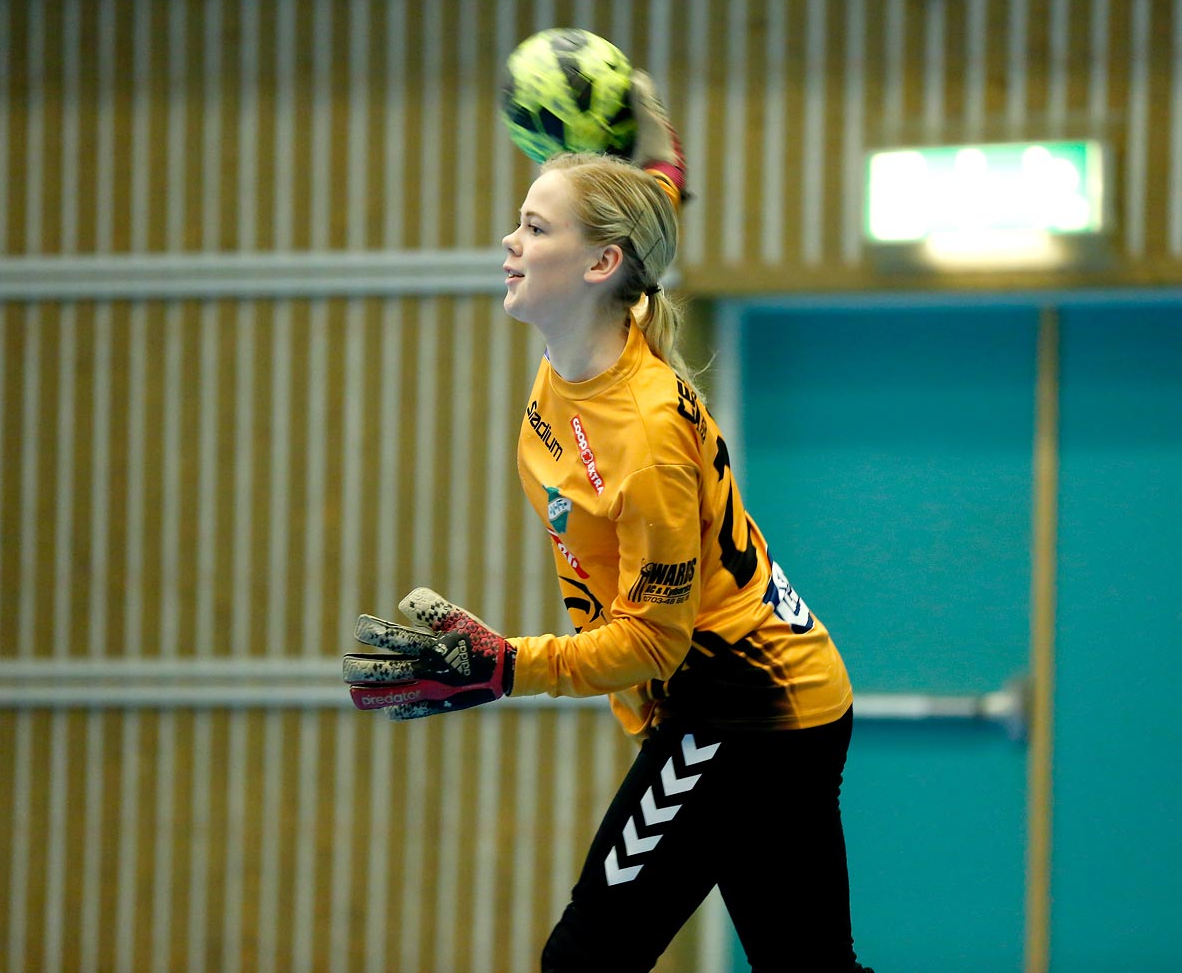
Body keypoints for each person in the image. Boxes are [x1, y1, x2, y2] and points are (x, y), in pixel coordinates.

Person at [342, 72, 873, 973]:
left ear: (599, 266)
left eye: (535, 228)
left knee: (584, 962)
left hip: (738, 712)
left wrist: (511, 666)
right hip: (786, 698)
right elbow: (655, 208)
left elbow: (653, 643)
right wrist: (658, 142)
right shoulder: (599, 327)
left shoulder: (644, 433)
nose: (509, 243)